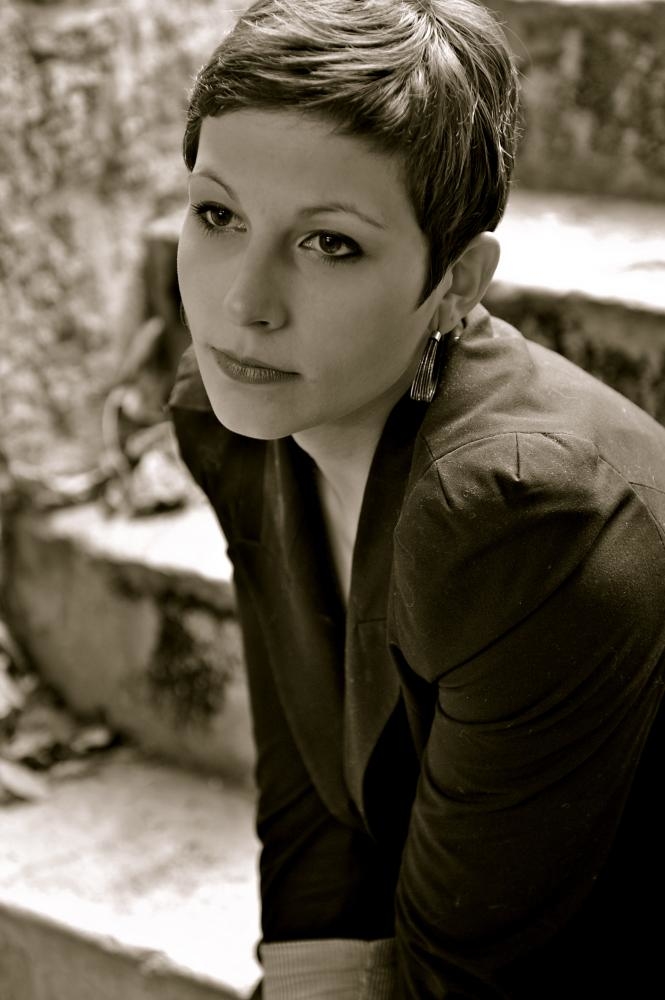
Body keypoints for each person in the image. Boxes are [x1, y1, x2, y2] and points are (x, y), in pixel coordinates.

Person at [169, 1, 665, 996]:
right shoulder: (233, 417)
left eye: (329, 244)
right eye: (218, 215)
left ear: (455, 282)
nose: (242, 304)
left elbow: (477, 963)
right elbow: (309, 786)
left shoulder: (520, 517)